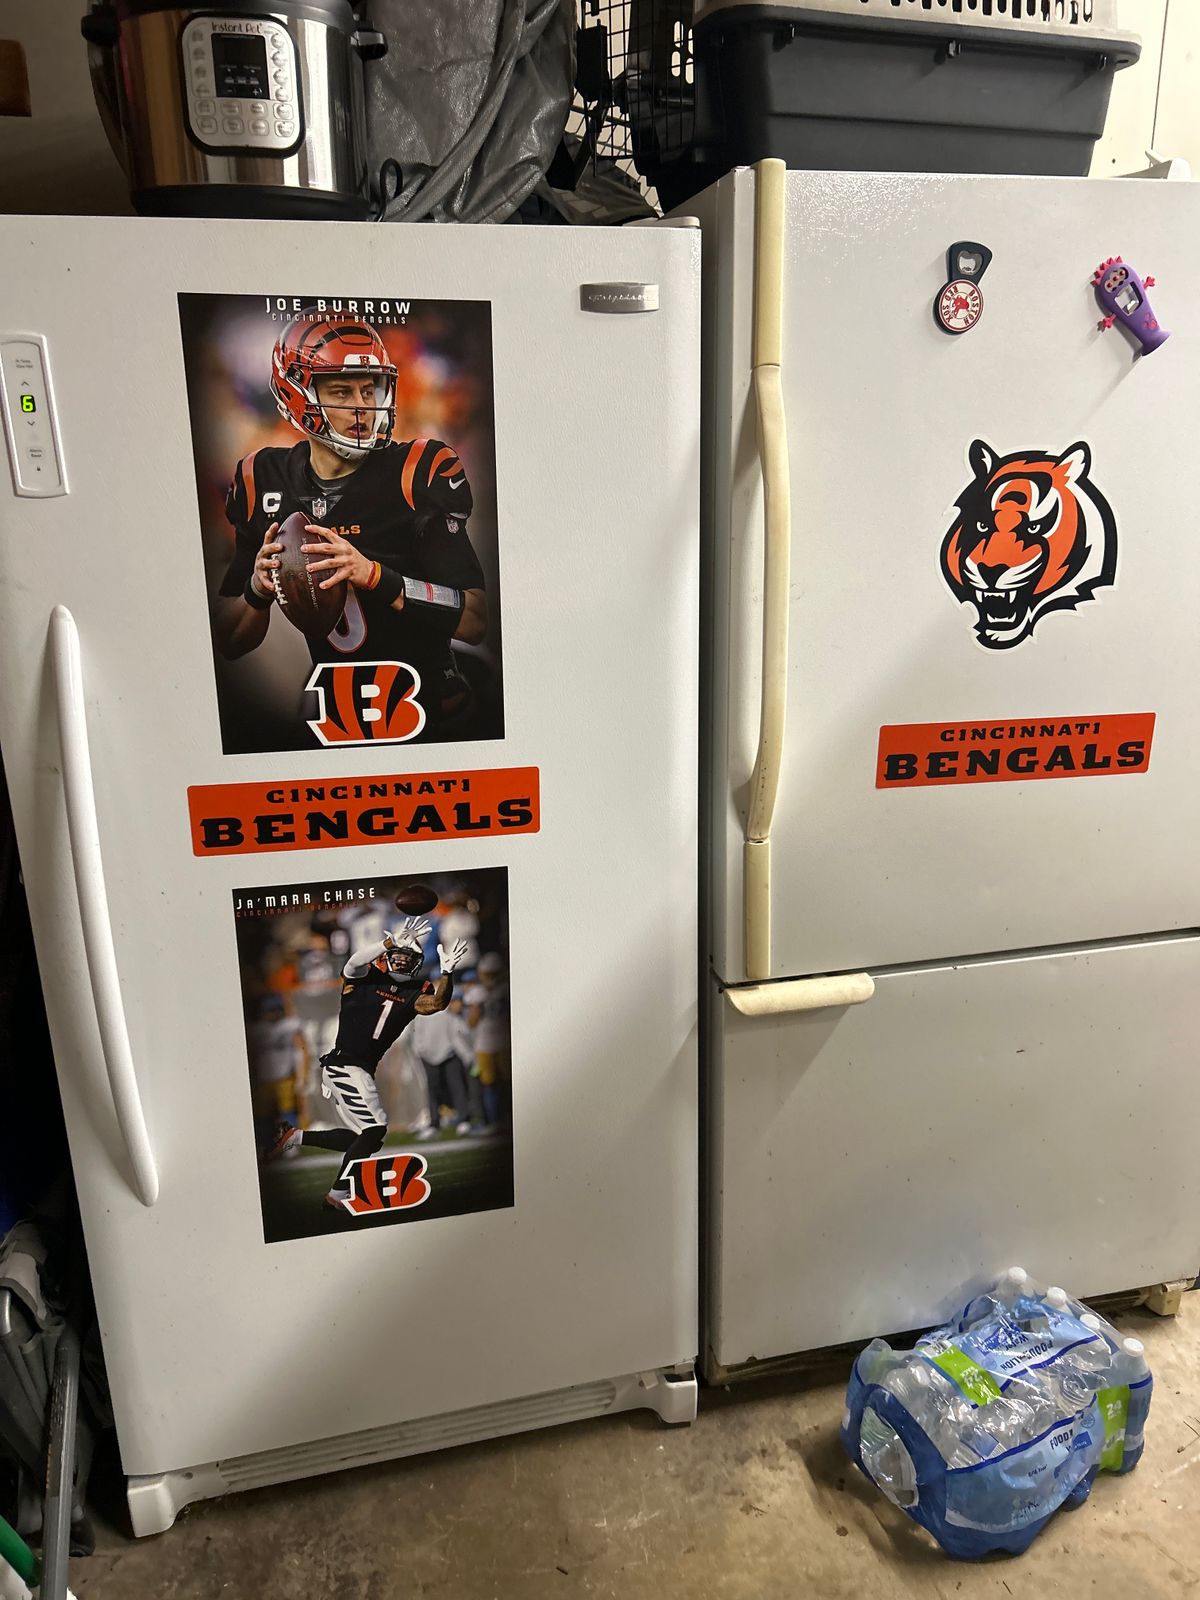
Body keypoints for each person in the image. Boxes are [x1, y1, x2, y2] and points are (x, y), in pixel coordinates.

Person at [211, 312, 489, 738]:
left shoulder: (416, 472)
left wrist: (374, 576)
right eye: (342, 390)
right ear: (296, 393)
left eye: (369, 388)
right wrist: (257, 589)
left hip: (432, 712)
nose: (362, 406)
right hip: (335, 715)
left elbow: (474, 619)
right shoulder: (260, 478)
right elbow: (229, 642)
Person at [262, 917, 469, 1210]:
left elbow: (437, 1004)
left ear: (417, 963)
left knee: (364, 1137)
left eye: (407, 957)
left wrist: (447, 973)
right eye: (397, 954)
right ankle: (336, 1195)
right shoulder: (365, 977)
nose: (401, 960)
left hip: (356, 1069)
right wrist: (388, 941)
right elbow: (352, 963)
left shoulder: (414, 991)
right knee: (375, 1130)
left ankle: (295, 1137)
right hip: (345, 1066)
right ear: (386, 955)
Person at [247, 993, 308, 1147]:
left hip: (284, 1076)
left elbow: (301, 1047)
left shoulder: (289, 1025)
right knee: (263, 1115)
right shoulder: (256, 1029)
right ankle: (264, 1142)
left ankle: (291, 1143)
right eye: (270, 1011)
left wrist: (301, 1076)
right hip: (264, 1079)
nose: (273, 1014)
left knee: (288, 1111)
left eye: (275, 1010)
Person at [409, 1003, 475, 1139]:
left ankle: (463, 1120)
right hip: (428, 1056)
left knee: (456, 1087)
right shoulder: (422, 1015)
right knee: (434, 1090)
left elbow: (458, 1034)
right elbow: (416, 1037)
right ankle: (434, 1123)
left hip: (450, 1055)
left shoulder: (448, 1014)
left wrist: (466, 1056)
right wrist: (421, 1052)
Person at [465, 950, 511, 1131]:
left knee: (506, 1084)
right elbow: (472, 1021)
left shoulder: (506, 989)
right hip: (485, 1043)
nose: (489, 978)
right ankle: (494, 1121)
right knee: (490, 1085)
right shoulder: (478, 993)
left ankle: (507, 1120)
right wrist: (478, 1005)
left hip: (503, 1042)